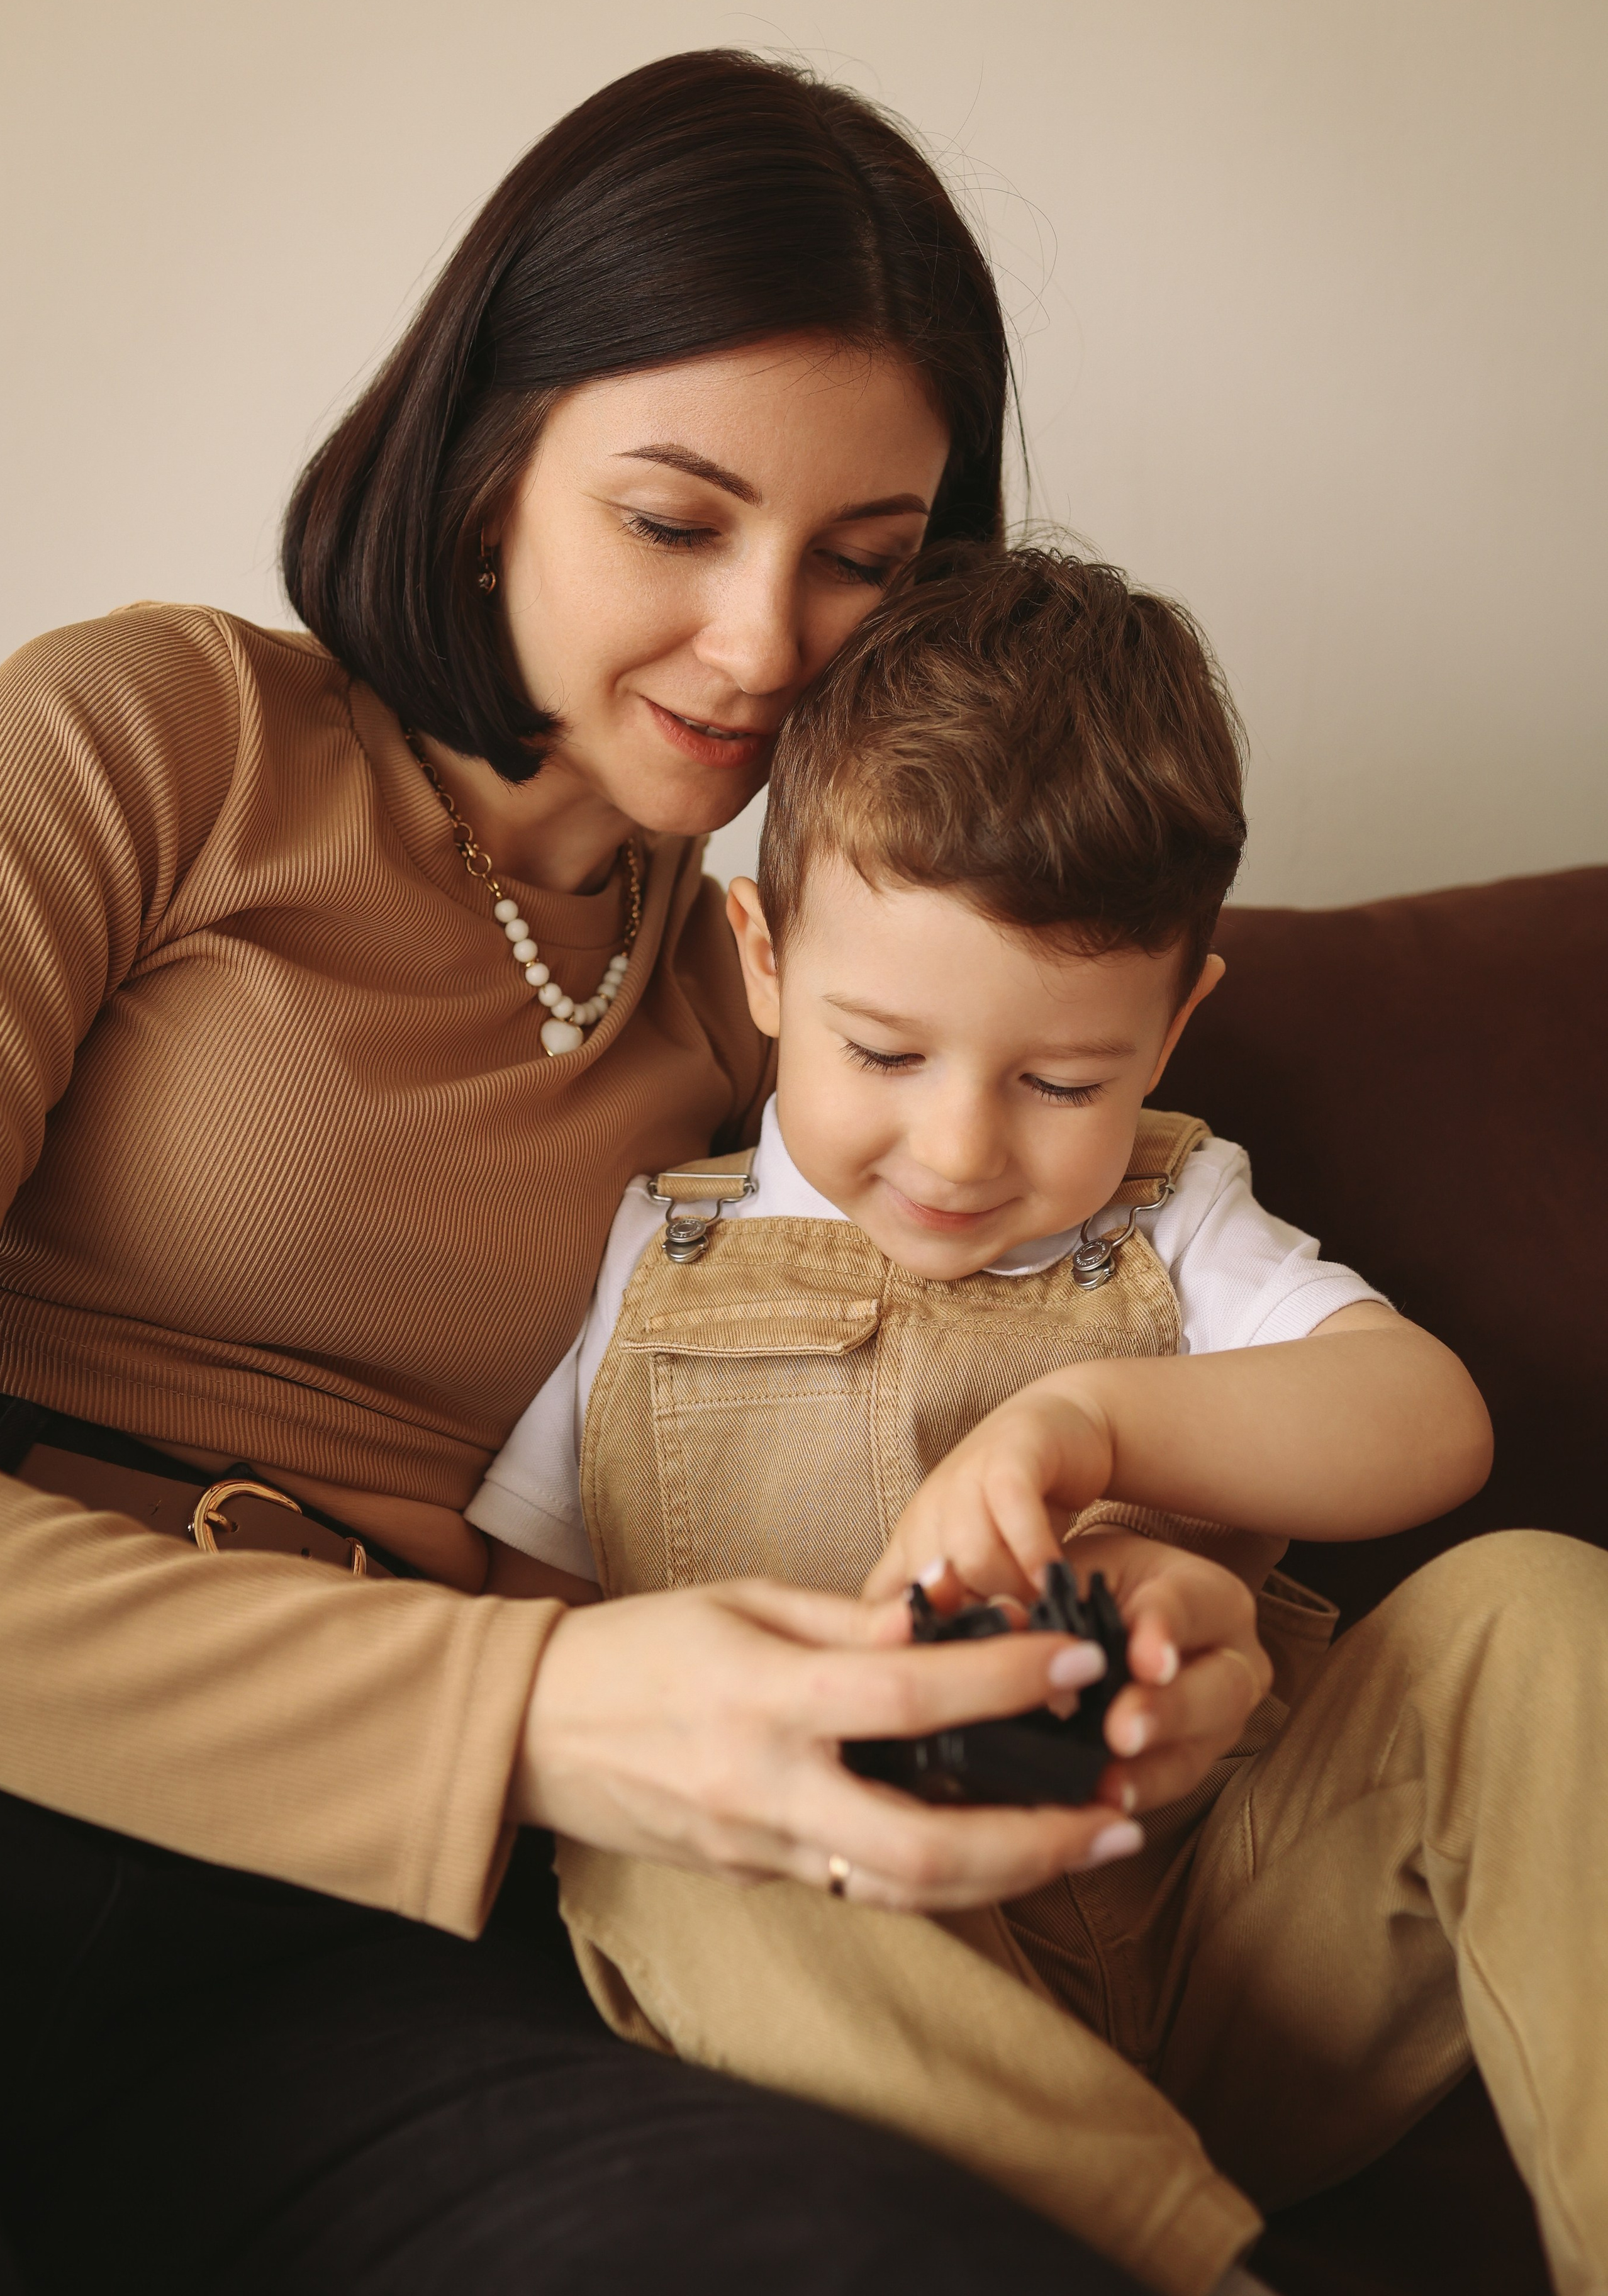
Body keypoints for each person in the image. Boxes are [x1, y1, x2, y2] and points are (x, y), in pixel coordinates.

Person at [0, 52, 1275, 2296]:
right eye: (676, 522)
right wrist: (532, 1711)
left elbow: (997, 1397)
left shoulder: (797, 1027)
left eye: (863, 564)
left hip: (383, 1952)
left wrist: (1161, 1617)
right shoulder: (164, 742)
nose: (766, 644)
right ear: (488, 468)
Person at [474, 546, 1607, 2296]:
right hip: (893, 2007)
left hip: (1235, 1935)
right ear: (761, 958)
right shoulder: (656, 1255)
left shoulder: (1172, 1219)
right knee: (645, 1834)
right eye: (885, 1054)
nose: (958, 1151)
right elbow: (519, 1633)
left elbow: (1428, 1422)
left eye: (1062, 1081)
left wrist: (1090, 1428)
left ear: (1172, 1028)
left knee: (1538, 1604)